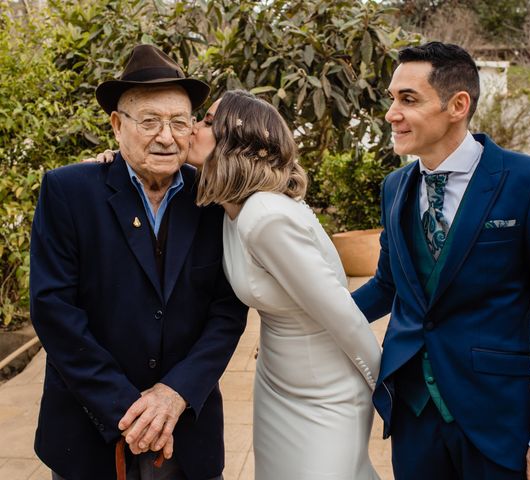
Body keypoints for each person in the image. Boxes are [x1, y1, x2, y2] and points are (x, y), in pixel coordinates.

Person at [351, 41, 530, 480]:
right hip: (412, 412)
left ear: (458, 104)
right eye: (392, 99)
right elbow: (388, 285)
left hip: (495, 417)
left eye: (408, 99)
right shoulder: (395, 186)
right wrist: (312, 318)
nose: (391, 114)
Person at [30, 44, 248, 480]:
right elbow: (54, 309)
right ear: (117, 126)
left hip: (187, 428)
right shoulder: (69, 191)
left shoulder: (214, 197)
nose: (166, 136)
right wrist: (127, 409)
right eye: (149, 121)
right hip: (88, 432)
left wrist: (174, 393)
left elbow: (227, 309)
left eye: (179, 122)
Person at [191, 89, 381, 480]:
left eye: (208, 122)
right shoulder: (229, 209)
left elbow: (341, 312)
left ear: (237, 143)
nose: (192, 128)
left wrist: (385, 386)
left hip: (326, 392)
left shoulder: (265, 216)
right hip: (278, 384)